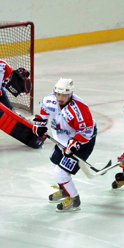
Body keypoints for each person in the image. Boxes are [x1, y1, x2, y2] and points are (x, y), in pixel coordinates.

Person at [32, 78, 97, 212]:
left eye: (65, 95)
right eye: (58, 94)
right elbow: (41, 117)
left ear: (71, 94)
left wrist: (75, 143)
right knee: (54, 162)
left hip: (83, 141)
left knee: (61, 172)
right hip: (62, 140)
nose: (61, 98)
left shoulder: (79, 108)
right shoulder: (49, 100)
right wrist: (39, 126)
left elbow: (87, 130)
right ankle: (64, 190)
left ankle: (74, 198)